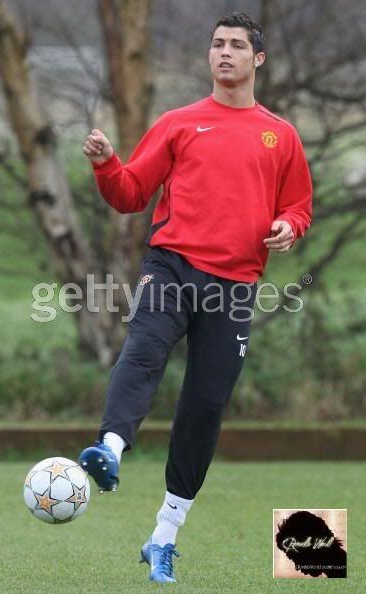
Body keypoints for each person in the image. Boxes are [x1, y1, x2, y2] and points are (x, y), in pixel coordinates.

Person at [80, 11, 312, 584]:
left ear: (258, 59)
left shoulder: (279, 135)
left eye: (236, 45)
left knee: (205, 406)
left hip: (235, 286)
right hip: (173, 265)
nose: (224, 53)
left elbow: (299, 205)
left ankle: (163, 536)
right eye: (217, 44)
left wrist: (289, 225)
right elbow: (131, 194)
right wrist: (107, 163)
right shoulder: (180, 123)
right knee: (144, 349)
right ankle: (109, 447)